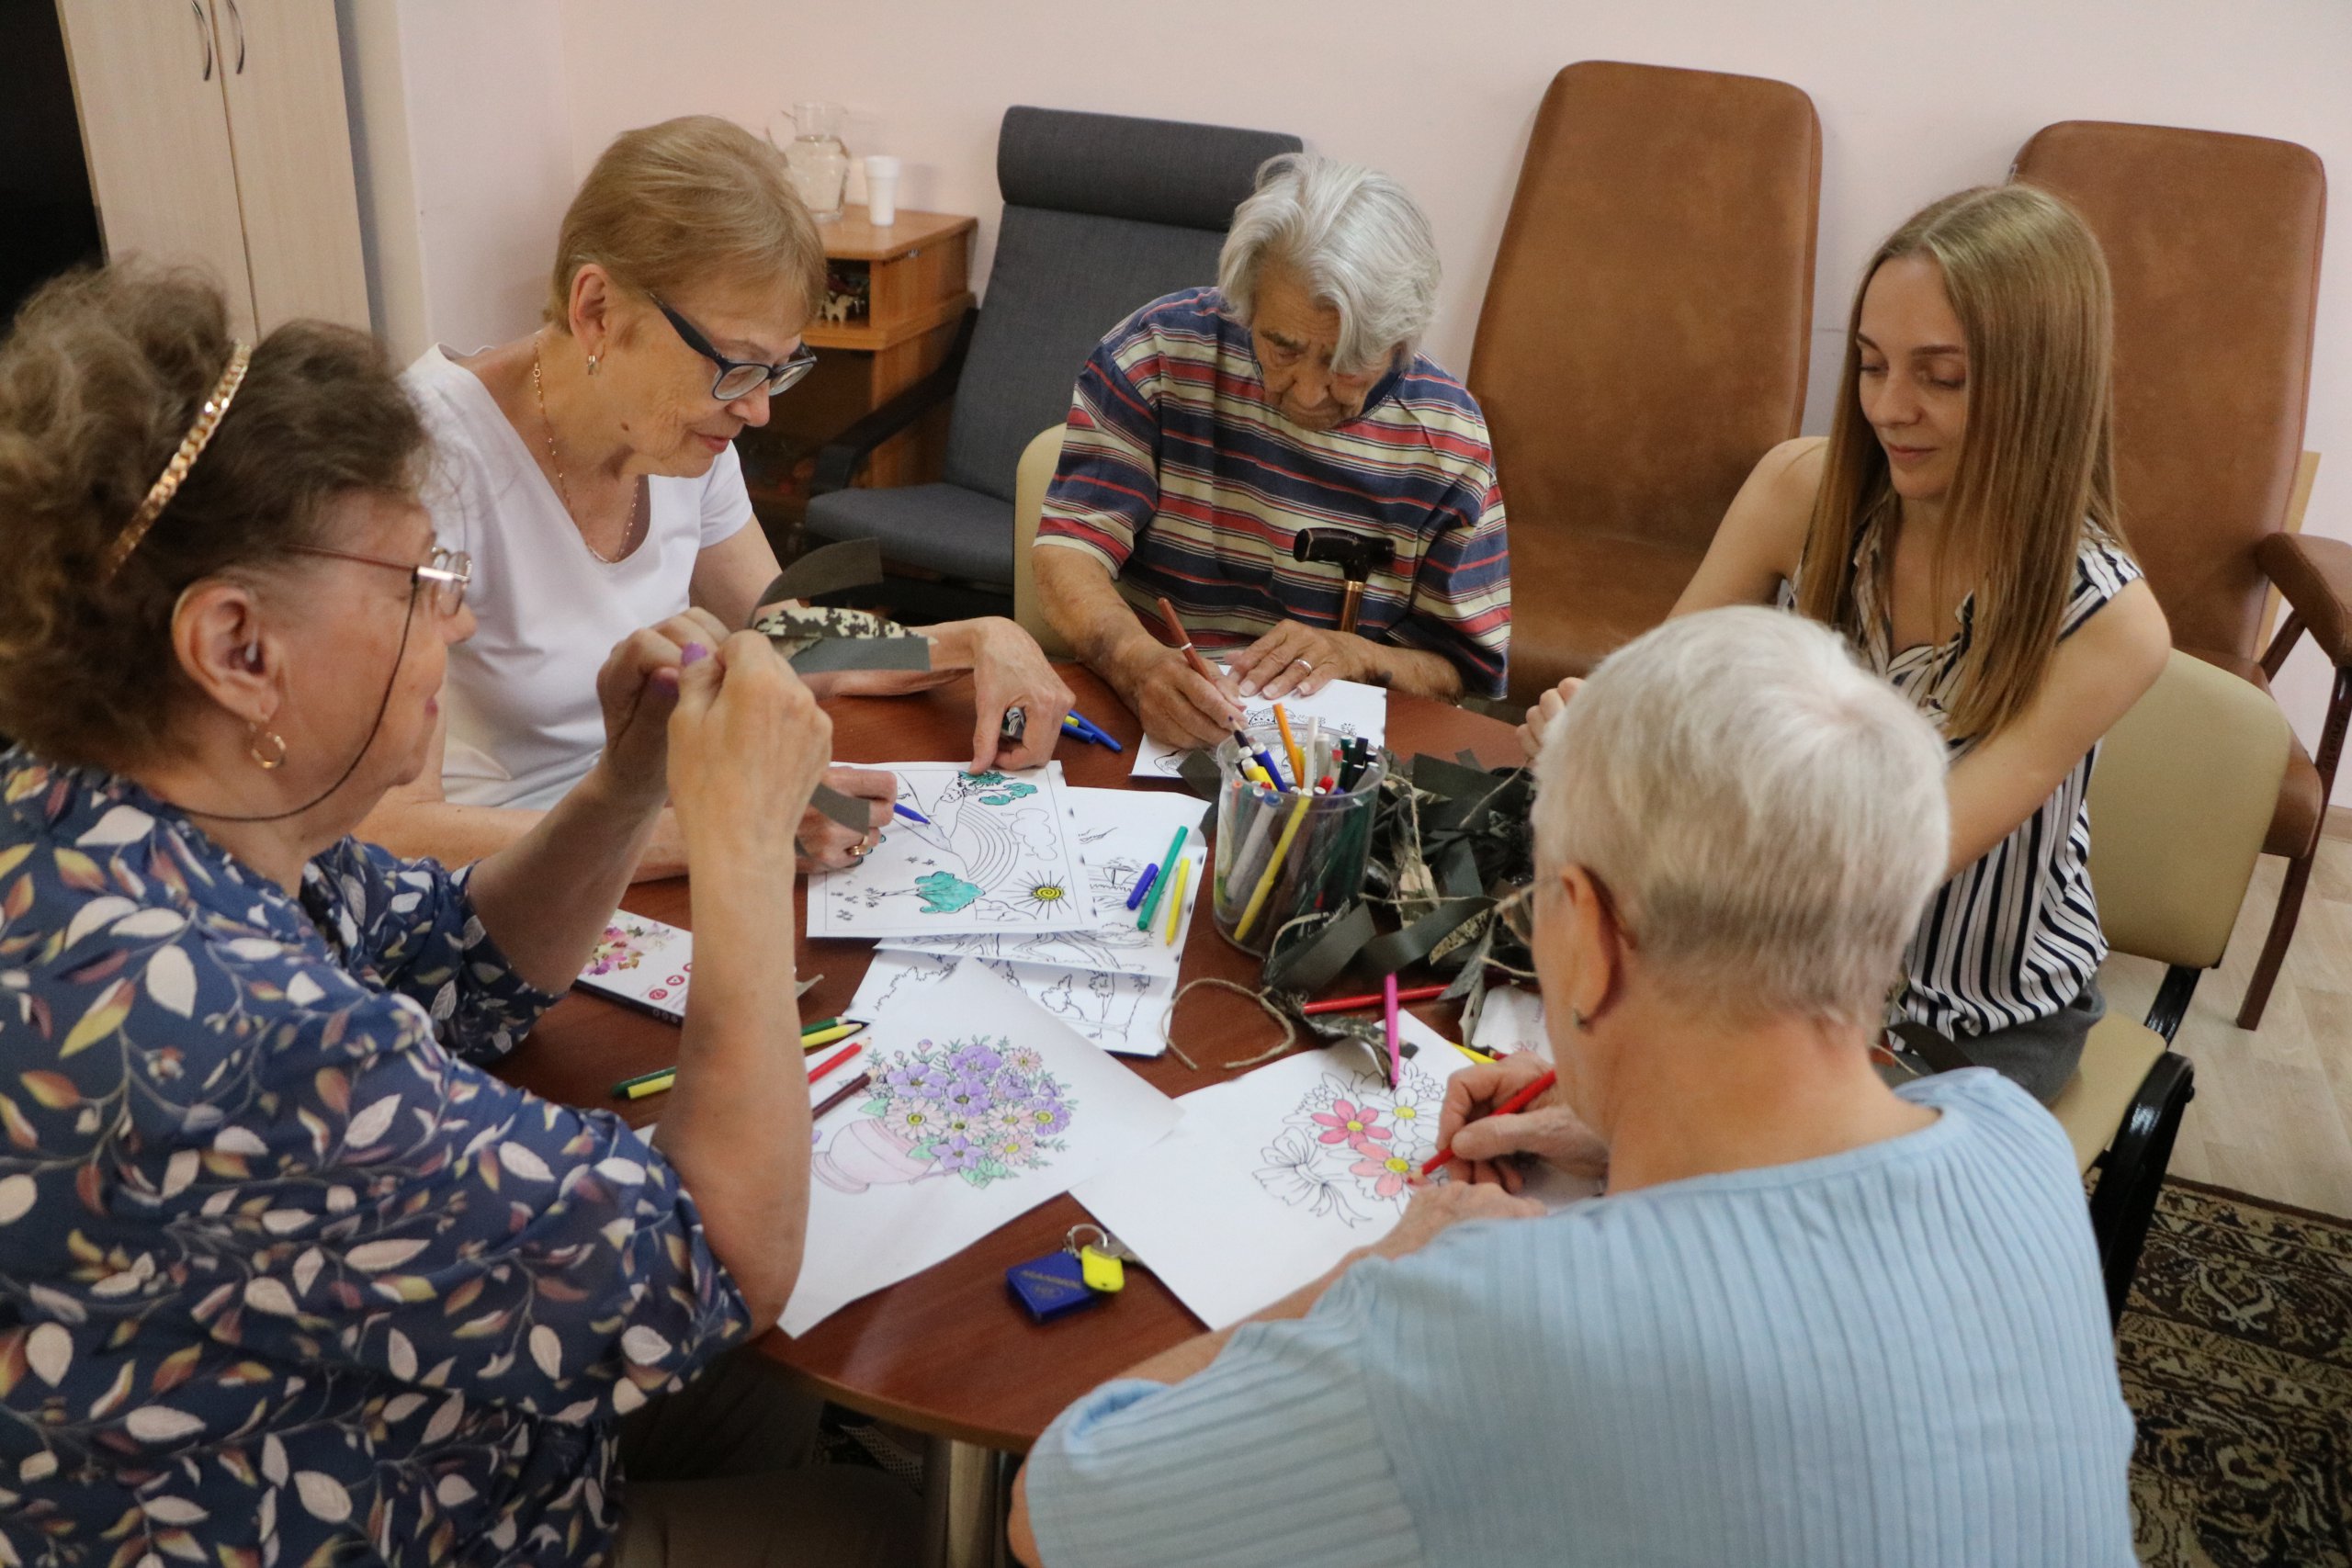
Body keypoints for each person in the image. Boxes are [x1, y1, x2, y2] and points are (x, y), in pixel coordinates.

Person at [0, 266, 916, 1567]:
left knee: (766, 1392)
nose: (461, 613)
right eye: (421, 577)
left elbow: (460, 963)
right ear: (237, 648)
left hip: (314, 1405)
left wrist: (623, 783)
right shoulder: (234, 1039)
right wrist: (740, 841)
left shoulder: (98, 804)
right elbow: (719, 1252)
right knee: (889, 1526)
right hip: (364, 1514)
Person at [1009, 607, 2138, 1567]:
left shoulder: (1490, 1321)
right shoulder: (2017, 1142)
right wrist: (1615, 1129)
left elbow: (1056, 1508)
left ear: (1587, 937)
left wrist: (1381, 1273)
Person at [1521, 183, 2168, 1101]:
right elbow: (1652, 701)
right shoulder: (1799, 490)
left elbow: (1883, 866)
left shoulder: (2109, 623)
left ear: (2042, 388)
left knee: (1723, 1188)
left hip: (1964, 1024)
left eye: (1940, 378)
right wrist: (1595, 731)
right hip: (1769, 970)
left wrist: (1641, 802)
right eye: (1870, 366)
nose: (1889, 408)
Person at [364, 116, 1072, 879]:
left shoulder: (679, 432)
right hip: (507, 889)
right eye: (736, 365)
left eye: (778, 369)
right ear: (597, 310)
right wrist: (727, 830)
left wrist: (968, 639)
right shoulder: (423, 460)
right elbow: (392, 832)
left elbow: (782, 636)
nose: (760, 409)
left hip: (660, 838)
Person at [1033, 152, 1510, 746]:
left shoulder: (1449, 441)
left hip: (1332, 762)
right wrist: (1138, 665)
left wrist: (1355, 654)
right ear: (1247, 301)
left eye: (1347, 363)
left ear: (1401, 340)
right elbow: (1065, 555)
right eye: (1282, 346)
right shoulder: (1155, 358)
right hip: (1150, 722)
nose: (1308, 393)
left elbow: (1460, 670)